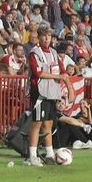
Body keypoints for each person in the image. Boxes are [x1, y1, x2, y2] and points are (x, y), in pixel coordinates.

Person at [25, 26, 66, 165]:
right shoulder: (34, 53)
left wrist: (65, 83)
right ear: (39, 37)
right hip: (39, 92)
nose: (47, 38)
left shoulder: (54, 53)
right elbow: (39, 73)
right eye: (44, 35)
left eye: (49, 35)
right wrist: (59, 76)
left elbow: (63, 71)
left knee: (48, 124)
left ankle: (49, 154)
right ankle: (32, 156)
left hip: (52, 93)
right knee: (36, 124)